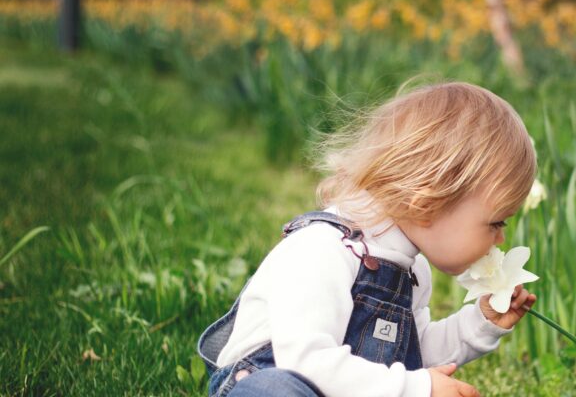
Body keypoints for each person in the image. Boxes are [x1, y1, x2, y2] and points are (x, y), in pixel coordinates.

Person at [196, 81, 539, 397]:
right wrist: (417, 390)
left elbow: (410, 355)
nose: (499, 239)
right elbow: (303, 362)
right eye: (495, 223)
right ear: (427, 206)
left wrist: (479, 324)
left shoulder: (412, 269)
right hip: (272, 380)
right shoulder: (322, 250)